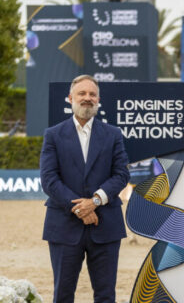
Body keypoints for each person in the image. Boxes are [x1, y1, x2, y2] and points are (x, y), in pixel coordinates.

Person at [40, 74, 130, 303]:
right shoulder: (53, 135)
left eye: (92, 94)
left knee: (106, 295)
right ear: (70, 98)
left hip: (106, 226)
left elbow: (121, 175)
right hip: (63, 226)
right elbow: (49, 179)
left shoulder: (113, 135)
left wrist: (95, 201)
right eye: (82, 93)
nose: (87, 98)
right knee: (62, 295)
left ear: (98, 100)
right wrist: (80, 208)